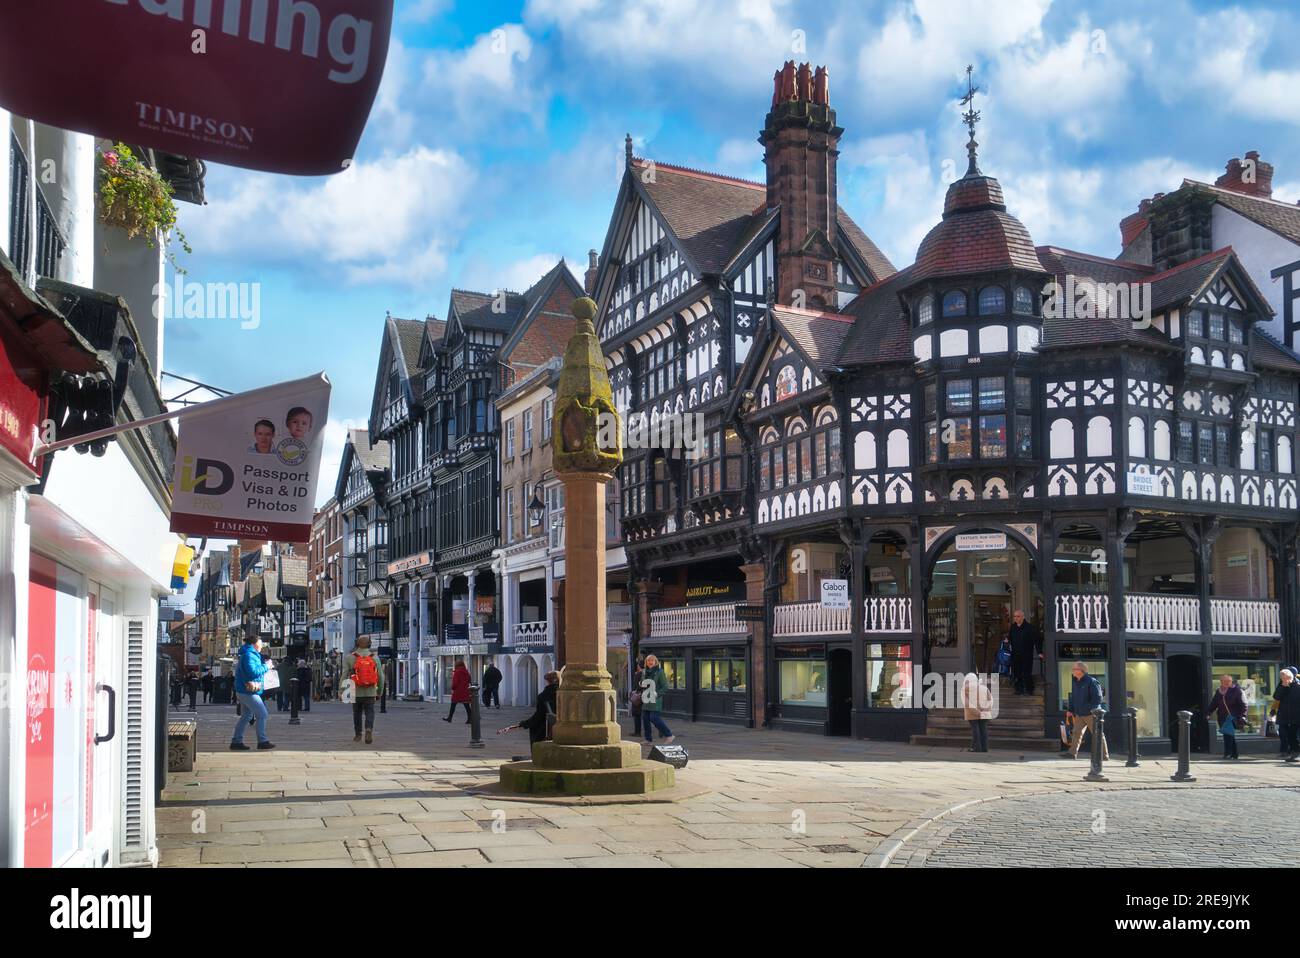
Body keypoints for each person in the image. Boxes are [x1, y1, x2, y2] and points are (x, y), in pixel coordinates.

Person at [230, 635, 274, 751]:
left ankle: (236, 741)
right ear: (255, 644)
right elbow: (253, 673)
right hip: (248, 691)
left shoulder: (249, 654)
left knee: (246, 716)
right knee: (262, 714)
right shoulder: (249, 655)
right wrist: (267, 666)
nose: (262, 646)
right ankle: (262, 741)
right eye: (261, 644)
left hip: (245, 690)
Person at [499, 671, 560, 745]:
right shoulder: (562, 693)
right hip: (561, 727)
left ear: (547, 681)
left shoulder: (544, 696)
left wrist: (524, 724)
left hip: (547, 729)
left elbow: (539, 716)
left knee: (536, 731)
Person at [344, 636, 385, 744]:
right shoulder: (374, 657)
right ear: (369, 644)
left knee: (356, 713)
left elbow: (344, 675)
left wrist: (342, 690)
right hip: (370, 690)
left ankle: (358, 734)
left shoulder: (350, 657)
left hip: (355, 690)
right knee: (370, 712)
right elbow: (381, 676)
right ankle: (368, 728)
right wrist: (379, 691)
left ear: (357, 644)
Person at [1066, 661, 1108, 760]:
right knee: (1076, 732)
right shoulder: (1076, 681)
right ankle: (1072, 753)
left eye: (1074, 669)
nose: (1073, 670)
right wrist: (1070, 709)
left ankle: (1104, 756)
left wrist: (1089, 709)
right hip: (1080, 713)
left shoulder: (1091, 681)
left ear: (1081, 671)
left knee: (1097, 734)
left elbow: (1098, 698)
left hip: (1091, 714)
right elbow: (1073, 697)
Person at [1206, 673, 1248, 760]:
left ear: (1231, 681)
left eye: (1228, 681)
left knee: (1228, 734)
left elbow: (1243, 704)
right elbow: (1214, 703)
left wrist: (1243, 716)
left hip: (1232, 716)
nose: (1226, 683)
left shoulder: (1237, 690)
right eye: (1224, 681)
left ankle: (1228, 753)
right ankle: (1234, 753)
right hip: (1222, 716)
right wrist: (1208, 712)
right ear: (1221, 682)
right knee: (1229, 735)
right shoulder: (1219, 691)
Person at [639, 654, 674, 745]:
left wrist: (657, 694)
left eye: (652, 660)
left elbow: (665, 686)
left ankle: (669, 735)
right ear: (646, 662)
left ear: (655, 662)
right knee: (645, 718)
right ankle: (648, 739)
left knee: (654, 718)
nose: (650, 662)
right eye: (648, 661)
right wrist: (641, 684)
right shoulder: (644, 672)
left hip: (655, 699)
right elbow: (642, 684)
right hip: (646, 698)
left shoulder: (659, 672)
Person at [1007, 609, 1042, 695]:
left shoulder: (1030, 628)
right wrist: (1007, 640)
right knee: (1017, 672)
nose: (1016, 618)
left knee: (1026, 672)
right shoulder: (1013, 627)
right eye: (1014, 616)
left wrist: (1039, 652)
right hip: (1015, 653)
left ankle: (1029, 689)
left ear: (1023, 617)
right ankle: (1019, 689)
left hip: (1026, 653)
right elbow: (1010, 638)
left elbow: (1036, 640)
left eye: (1018, 616)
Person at [1272, 668, 1300, 762]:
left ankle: (1296, 753)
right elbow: (1276, 697)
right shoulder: (1281, 686)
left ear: (1290, 677)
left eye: (1285, 678)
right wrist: (1283, 686)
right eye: (1282, 678)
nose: (1283, 680)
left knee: (1293, 735)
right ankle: (1293, 753)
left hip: (1296, 716)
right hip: (1284, 715)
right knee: (1286, 735)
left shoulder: (1298, 687)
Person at [962, 671, 993, 753]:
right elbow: (990, 700)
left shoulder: (965, 688)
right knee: (983, 729)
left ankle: (976, 748)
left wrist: (977, 712)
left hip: (972, 713)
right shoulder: (984, 688)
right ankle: (984, 747)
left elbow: (967, 703)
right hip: (984, 713)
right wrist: (986, 709)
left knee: (975, 729)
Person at [443, 659, 472, 723]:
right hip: (465, 691)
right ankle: (470, 718)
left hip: (458, 691)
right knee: (466, 705)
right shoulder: (466, 672)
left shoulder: (457, 672)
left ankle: (450, 718)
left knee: (453, 705)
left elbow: (455, 683)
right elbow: (469, 680)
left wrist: (453, 688)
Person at [630, 656, 646, 737]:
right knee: (649, 715)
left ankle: (637, 732)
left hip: (638, 697)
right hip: (647, 696)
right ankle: (660, 729)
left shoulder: (638, 674)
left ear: (639, 666)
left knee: (636, 714)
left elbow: (636, 686)